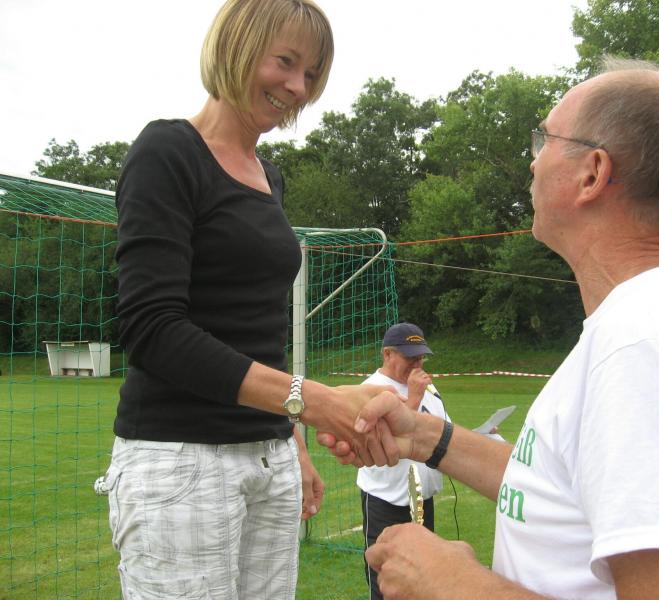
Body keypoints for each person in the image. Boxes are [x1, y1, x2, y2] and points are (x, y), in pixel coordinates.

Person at [319, 57, 659, 599]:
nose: (533, 160)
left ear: (593, 172)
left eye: (544, 139)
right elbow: (561, 489)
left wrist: (450, 582)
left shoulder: (646, 343)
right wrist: (422, 435)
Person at [100, 2, 392, 598]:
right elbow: (152, 328)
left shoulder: (269, 176)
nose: (298, 87)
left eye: (311, 74)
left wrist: (291, 440)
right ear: (236, 46)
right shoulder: (167, 151)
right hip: (182, 462)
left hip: (268, 459)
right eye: (285, 61)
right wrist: (310, 401)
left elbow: (257, 330)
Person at [357, 323, 450, 600]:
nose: (417, 364)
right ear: (388, 354)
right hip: (387, 498)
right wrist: (414, 398)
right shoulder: (369, 388)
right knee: (386, 578)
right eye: (410, 357)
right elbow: (379, 439)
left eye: (421, 357)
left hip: (422, 497)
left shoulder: (428, 388)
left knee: (421, 576)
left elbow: (444, 430)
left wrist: (480, 435)